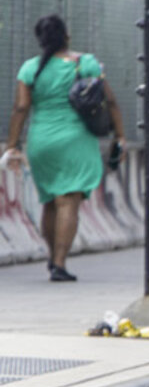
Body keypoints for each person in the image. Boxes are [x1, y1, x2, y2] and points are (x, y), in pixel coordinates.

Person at [3, 14, 126, 282]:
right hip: (76, 139)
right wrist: (120, 136)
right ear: (66, 37)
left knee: (49, 200)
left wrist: (12, 145)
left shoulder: (30, 69)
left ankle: (51, 255)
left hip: (41, 141)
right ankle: (59, 262)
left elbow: (21, 108)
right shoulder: (85, 64)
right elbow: (111, 101)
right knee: (68, 200)